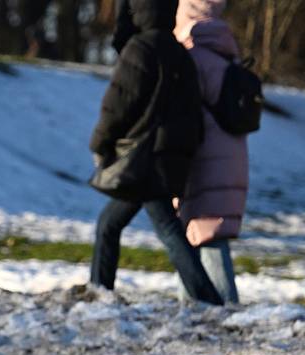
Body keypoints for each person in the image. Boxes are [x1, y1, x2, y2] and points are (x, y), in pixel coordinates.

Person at [89, 0, 225, 305]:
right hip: (168, 158)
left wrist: (100, 143)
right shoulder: (179, 54)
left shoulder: (141, 49)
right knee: (112, 224)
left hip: (145, 161)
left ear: (138, 11)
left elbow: (117, 105)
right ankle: (100, 292)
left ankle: (208, 299)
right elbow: (194, 114)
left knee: (163, 229)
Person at [175, 0, 248, 303]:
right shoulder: (223, 48)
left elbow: (184, 112)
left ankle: (224, 309)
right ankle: (191, 308)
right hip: (227, 159)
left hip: (204, 161)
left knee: (206, 235)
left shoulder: (194, 54)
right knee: (199, 235)